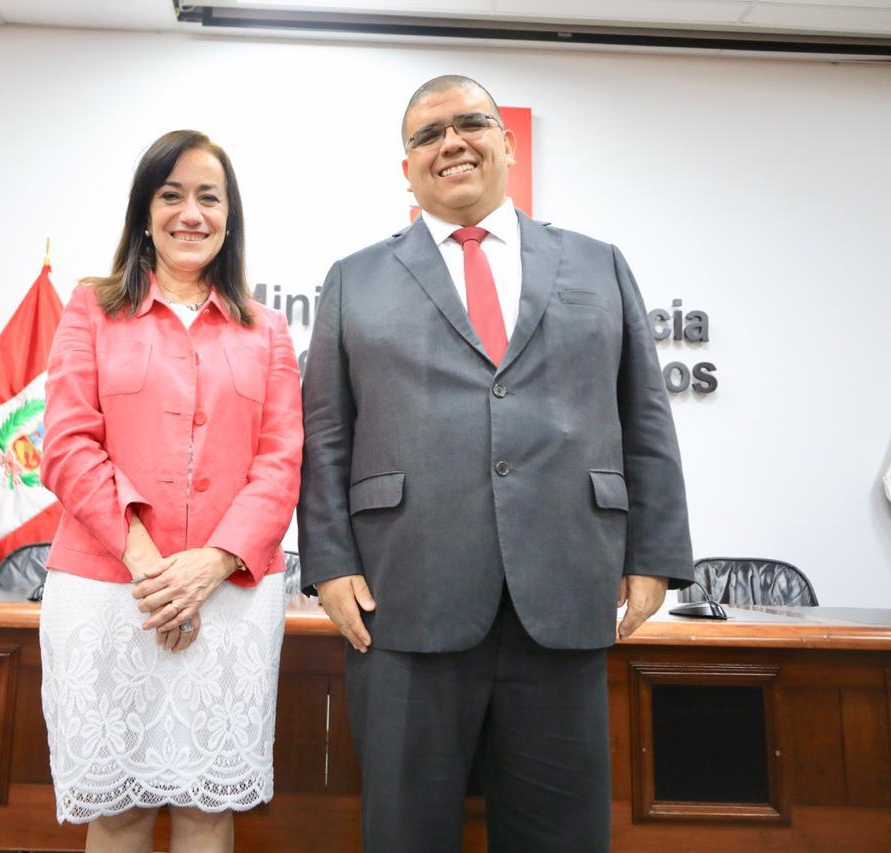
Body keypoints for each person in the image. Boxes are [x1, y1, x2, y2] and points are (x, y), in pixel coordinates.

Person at [297, 76, 694, 852]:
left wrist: (654, 553)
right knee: (405, 832)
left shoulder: (598, 264)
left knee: (561, 834)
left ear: (507, 144)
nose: (452, 142)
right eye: (427, 134)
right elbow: (325, 432)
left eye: (471, 123)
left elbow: (645, 414)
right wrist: (328, 562)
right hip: (401, 600)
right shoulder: (354, 278)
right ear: (406, 167)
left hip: (564, 593)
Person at [39, 129, 302, 852]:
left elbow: (281, 464)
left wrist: (208, 565)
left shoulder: (267, 330)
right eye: (171, 194)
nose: (191, 213)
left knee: (205, 806)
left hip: (228, 596)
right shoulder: (92, 307)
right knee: (118, 808)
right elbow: (66, 445)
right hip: (110, 589)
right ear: (144, 211)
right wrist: (153, 568)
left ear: (230, 215)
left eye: (208, 197)